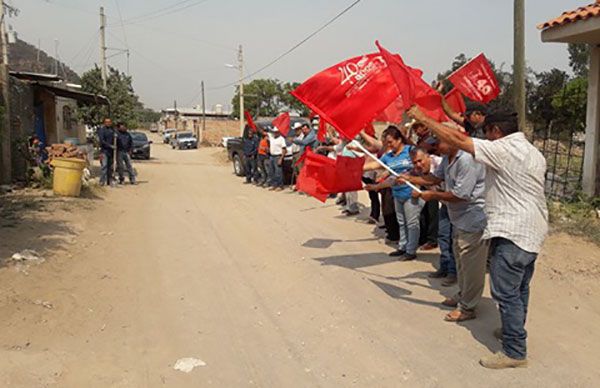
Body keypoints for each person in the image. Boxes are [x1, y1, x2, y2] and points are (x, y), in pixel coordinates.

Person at [409, 106, 548, 369]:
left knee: (506, 293)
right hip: (533, 229)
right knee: (520, 289)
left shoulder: (503, 149)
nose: (486, 139)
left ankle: (515, 352)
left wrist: (424, 118)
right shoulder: (533, 152)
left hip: (512, 230)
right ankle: (512, 331)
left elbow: (461, 141)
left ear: (495, 131)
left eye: (487, 133)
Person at [404, 138, 488, 322]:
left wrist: (432, 195)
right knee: (461, 262)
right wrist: (410, 178)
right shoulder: (447, 158)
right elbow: (436, 178)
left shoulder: (466, 160)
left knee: (471, 265)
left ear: (452, 140)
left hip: (472, 218)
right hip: (458, 218)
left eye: (437, 142)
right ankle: (464, 295)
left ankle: (468, 307)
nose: (434, 147)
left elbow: (461, 194)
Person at [364, 126, 422, 261]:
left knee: (412, 223)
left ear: (399, 140)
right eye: (387, 142)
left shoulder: (410, 151)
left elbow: (422, 165)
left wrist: (412, 176)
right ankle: (402, 246)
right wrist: (354, 168)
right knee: (401, 222)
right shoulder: (388, 156)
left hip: (411, 193)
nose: (389, 145)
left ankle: (411, 250)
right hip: (397, 193)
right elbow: (374, 165)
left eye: (391, 142)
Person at [97, 118, 116, 186]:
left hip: (111, 152)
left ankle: (109, 181)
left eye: (109, 122)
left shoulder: (113, 130)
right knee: (104, 166)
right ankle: (102, 181)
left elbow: (116, 139)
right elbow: (102, 141)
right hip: (104, 151)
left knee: (110, 167)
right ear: (104, 123)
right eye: (106, 122)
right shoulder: (102, 130)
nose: (108, 123)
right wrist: (110, 146)